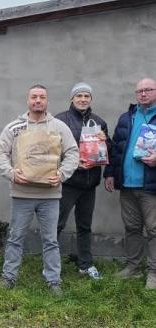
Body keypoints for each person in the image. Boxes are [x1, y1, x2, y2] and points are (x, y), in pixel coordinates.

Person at [0, 84, 79, 296]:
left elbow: (73, 153)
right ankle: (9, 277)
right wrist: (12, 173)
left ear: (47, 101)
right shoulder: (15, 127)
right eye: (34, 97)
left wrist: (61, 174)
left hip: (50, 196)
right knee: (15, 237)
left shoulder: (59, 127)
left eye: (42, 97)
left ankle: (53, 280)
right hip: (21, 194)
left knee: (50, 240)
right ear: (28, 100)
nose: (38, 100)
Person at [54, 82, 111, 280]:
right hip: (68, 183)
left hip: (89, 184)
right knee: (57, 224)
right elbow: (51, 150)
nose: (83, 99)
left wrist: (106, 140)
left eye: (87, 96)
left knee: (85, 226)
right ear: (72, 98)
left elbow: (107, 152)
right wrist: (69, 163)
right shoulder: (60, 120)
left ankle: (85, 264)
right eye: (79, 96)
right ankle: (51, 265)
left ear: (91, 99)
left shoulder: (99, 122)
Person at [105, 78, 156, 289]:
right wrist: (109, 173)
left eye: (148, 90)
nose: (143, 94)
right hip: (127, 184)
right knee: (132, 228)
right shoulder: (127, 117)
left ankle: (153, 272)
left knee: (154, 230)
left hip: (150, 186)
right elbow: (116, 148)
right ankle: (133, 267)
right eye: (140, 91)